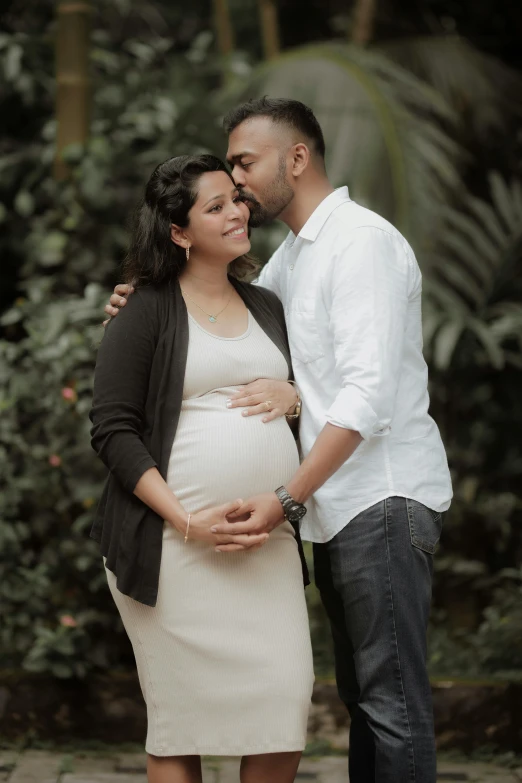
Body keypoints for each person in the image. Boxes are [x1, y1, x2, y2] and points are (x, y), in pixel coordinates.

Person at [105, 98, 453, 783]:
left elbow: (366, 395)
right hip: (329, 511)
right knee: (366, 699)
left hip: (376, 499)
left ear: (296, 157)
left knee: (392, 704)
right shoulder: (288, 264)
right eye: (225, 179)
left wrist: (286, 499)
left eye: (243, 164)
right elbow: (234, 338)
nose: (236, 187)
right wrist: (136, 302)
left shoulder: (360, 242)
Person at [90, 153, 315, 783]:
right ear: (179, 232)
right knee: (179, 723)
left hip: (265, 545)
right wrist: (187, 521)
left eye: (236, 200)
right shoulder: (143, 311)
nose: (238, 212)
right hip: (171, 549)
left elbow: (320, 392)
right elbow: (112, 431)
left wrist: (295, 394)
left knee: (284, 706)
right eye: (214, 206)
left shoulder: (269, 304)